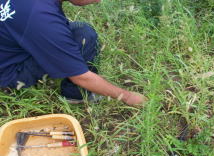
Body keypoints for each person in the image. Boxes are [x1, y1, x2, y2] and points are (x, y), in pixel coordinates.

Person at [0, 0, 146, 106]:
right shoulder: (42, 17)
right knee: (84, 35)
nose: (98, 1)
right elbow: (81, 77)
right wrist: (128, 96)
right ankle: (76, 96)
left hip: (9, 50)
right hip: (8, 73)